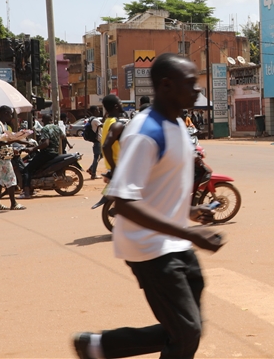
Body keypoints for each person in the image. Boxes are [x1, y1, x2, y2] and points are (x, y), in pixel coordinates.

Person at [72, 53, 223, 359]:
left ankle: (98, 346)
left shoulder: (177, 122)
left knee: (184, 330)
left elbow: (161, 186)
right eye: (191, 84)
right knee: (186, 331)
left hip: (175, 241)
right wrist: (193, 234)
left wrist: (189, 213)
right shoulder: (145, 132)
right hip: (148, 247)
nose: (198, 91)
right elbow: (124, 203)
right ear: (167, 86)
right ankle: (99, 346)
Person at [0, 106, 26, 211]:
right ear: (5, 113)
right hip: (1, 156)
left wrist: (23, 140)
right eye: (10, 114)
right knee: (10, 178)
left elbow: (10, 137)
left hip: (5, 155)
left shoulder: (4, 125)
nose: (11, 116)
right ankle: (13, 203)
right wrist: (10, 141)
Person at [20, 114, 66, 199]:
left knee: (27, 169)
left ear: (44, 120)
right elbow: (63, 137)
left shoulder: (45, 129)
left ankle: (26, 193)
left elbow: (46, 143)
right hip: (55, 153)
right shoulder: (56, 127)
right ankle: (32, 188)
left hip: (47, 153)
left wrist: (33, 149)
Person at [86, 106, 102, 180]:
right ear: (95, 110)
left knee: (101, 156)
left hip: (97, 141)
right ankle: (93, 174)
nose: (99, 111)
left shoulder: (91, 119)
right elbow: (103, 125)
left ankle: (91, 169)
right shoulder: (95, 120)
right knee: (97, 157)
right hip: (98, 141)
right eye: (98, 110)